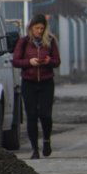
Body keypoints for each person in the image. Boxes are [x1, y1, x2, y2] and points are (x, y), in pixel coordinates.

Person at [13, 13, 61, 159]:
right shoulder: (23, 42)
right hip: (29, 82)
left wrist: (48, 61)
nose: (39, 31)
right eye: (37, 28)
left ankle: (46, 140)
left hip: (46, 82)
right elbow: (15, 61)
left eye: (42, 28)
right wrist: (30, 62)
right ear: (31, 28)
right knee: (32, 115)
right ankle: (34, 149)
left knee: (45, 115)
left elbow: (57, 61)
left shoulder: (50, 41)